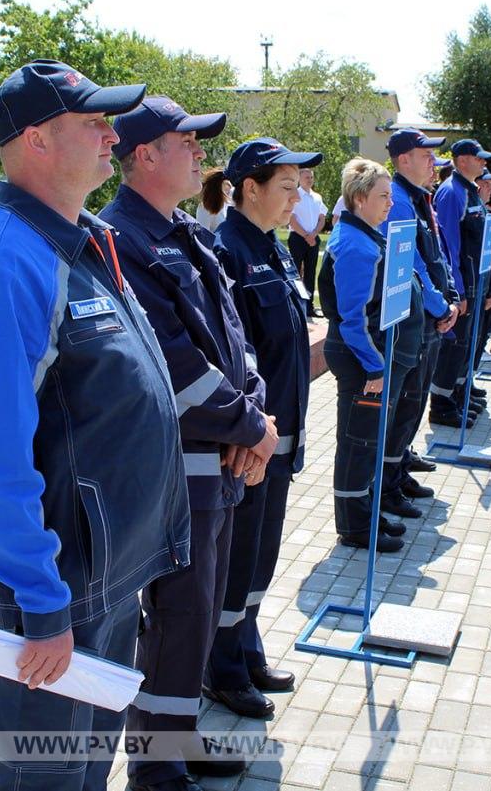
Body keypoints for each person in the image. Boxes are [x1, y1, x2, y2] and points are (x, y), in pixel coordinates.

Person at [0, 60, 189, 791]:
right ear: (36, 141)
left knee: (82, 774)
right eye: (94, 123)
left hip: (101, 581)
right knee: (38, 780)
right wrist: (41, 602)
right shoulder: (3, 260)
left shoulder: (73, 239)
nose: (113, 136)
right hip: (50, 593)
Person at [100, 100, 282, 790]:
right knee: (177, 619)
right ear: (145, 155)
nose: (203, 153)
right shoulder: (124, 240)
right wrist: (252, 428)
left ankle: (182, 741)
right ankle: (156, 766)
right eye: (188, 142)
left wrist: (254, 417)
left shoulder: (183, 232)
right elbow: (172, 365)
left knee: (199, 617)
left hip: (222, 465)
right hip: (180, 472)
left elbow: (236, 342)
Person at [206, 138, 320, 719]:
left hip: (283, 437)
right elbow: (233, 357)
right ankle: (219, 670)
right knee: (235, 561)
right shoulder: (226, 252)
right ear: (249, 188)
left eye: (299, 187)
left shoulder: (273, 250)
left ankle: (245, 649)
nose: (296, 197)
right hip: (250, 445)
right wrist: (249, 433)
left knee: (260, 559)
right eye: (286, 186)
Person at [317, 158, 421, 553]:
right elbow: (352, 318)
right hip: (361, 358)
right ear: (360, 199)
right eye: (383, 196)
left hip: (370, 355)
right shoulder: (357, 246)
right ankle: (355, 525)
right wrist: (375, 366)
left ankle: (366, 511)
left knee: (368, 440)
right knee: (358, 442)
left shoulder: (368, 235)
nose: (390, 203)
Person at [381, 129, 458, 520]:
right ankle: (388, 484)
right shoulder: (395, 201)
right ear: (403, 159)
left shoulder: (415, 198)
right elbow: (408, 264)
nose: (432, 161)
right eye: (425, 153)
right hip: (414, 318)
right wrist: (439, 303)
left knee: (414, 401)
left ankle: (398, 469)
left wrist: (451, 298)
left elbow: (437, 255)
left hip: (429, 315)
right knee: (405, 403)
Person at [430, 139, 491, 426]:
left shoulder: (470, 191)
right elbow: (449, 246)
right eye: (479, 158)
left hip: (474, 280)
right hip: (463, 283)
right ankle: (442, 405)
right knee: (454, 346)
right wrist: (457, 290)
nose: (484, 163)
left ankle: (457, 395)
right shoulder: (451, 193)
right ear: (463, 160)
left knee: (466, 344)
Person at [287, 167, 327, 315]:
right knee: (296, 272)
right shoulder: (295, 195)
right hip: (298, 238)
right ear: (299, 178)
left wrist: (314, 234)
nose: (309, 180)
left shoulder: (317, 197)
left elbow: (322, 218)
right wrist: (306, 235)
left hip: (313, 238)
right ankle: (296, 305)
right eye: (306, 177)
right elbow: (291, 219)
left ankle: (309, 307)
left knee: (310, 272)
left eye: (311, 177)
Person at [196, 167, 231, 232]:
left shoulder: (227, 204)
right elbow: (203, 237)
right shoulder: (204, 208)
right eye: (227, 189)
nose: (229, 190)